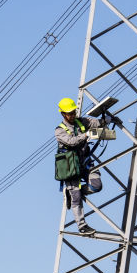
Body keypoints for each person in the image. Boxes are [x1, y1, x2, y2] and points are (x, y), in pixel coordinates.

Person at [54, 97, 102, 235]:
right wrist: (86, 135)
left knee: (96, 186)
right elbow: (72, 142)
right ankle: (82, 226)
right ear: (63, 114)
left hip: (85, 162)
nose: (72, 115)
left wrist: (107, 120)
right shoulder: (59, 131)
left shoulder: (81, 121)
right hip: (70, 166)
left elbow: (95, 122)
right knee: (76, 197)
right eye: (69, 113)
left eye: (74, 112)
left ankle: (74, 192)